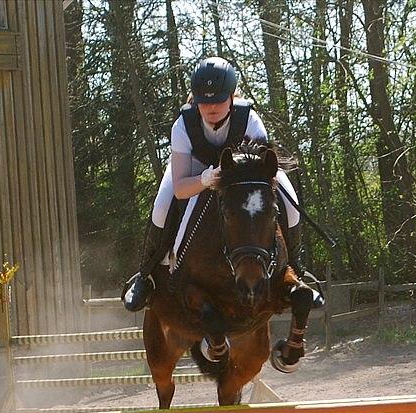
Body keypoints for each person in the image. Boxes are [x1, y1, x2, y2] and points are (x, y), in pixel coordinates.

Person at [122, 56, 323, 311]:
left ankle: (297, 271)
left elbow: (260, 173)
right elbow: (182, 188)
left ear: (231, 97)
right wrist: (206, 179)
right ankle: (146, 276)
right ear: (196, 99)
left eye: (218, 100)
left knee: (290, 202)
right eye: (205, 101)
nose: (212, 107)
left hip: (240, 173)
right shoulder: (183, 126)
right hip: (194, 172)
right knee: (162, 206)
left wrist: (228, 175)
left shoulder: (249, 120)